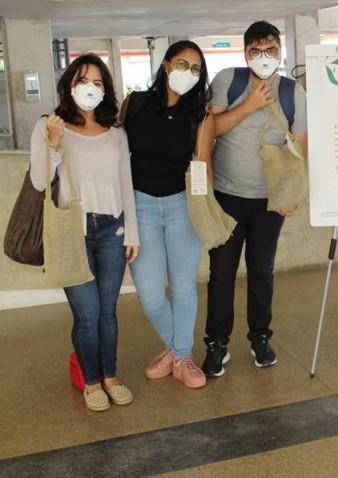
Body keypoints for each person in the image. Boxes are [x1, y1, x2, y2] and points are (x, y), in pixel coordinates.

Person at [30, 54, 139, 411]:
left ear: (105, 89)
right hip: (72, 232)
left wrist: (132, 234)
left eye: (97, 82)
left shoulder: (116, 131)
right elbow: (39, 181)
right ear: (68, 84)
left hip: (113, 229)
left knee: (107, 311)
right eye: (82, 80)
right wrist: (53, 143)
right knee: (88, 314)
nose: (89, 88)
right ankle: (91, 380)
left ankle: (111, 376)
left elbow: (126, 183)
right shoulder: (50, 124)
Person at [202, 20, 308, 376]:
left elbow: (300, 147)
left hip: (270, 201)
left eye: (271, 50)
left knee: (262, 271)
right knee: (222, 272)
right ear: (245, 53)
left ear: (281, 52)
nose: (264, 57)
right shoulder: (227, 81)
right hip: (226, 196)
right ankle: (216, 343)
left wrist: (291, 193)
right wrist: (249, 105)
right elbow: (211, 129)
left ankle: (260, 337)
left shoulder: (293, 92)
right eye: (256, 51)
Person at [122, 40, 215, 389]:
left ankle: (179, 356)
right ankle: (179, 354)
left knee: (183, 287)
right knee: (148, 293)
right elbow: (117, 152)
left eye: (195, 69)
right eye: (182, 64)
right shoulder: (136, 104)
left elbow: (204, 168)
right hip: (139, 206)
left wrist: (212, 214)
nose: (187, 73)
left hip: (181, 207)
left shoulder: (200, 115)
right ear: (165, 66)